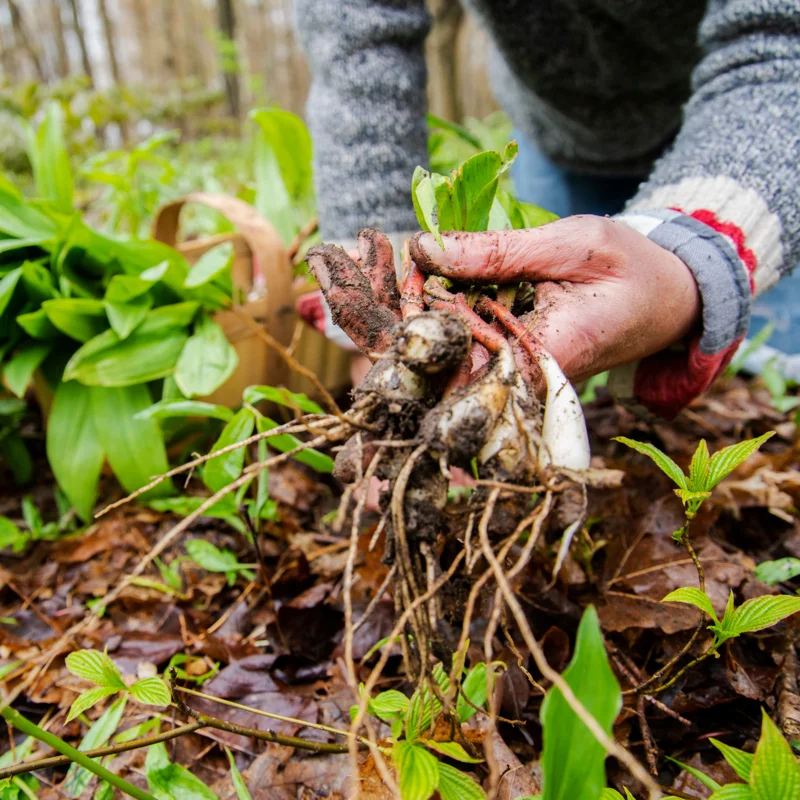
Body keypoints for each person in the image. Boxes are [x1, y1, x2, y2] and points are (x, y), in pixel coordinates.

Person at [293, 0, 800, 420]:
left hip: (745, 136)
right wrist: (382, 330)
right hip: (555, 134)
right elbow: (356, 38)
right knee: (553, 354)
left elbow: (783, 49)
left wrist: (698, 250)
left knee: (767, 364)